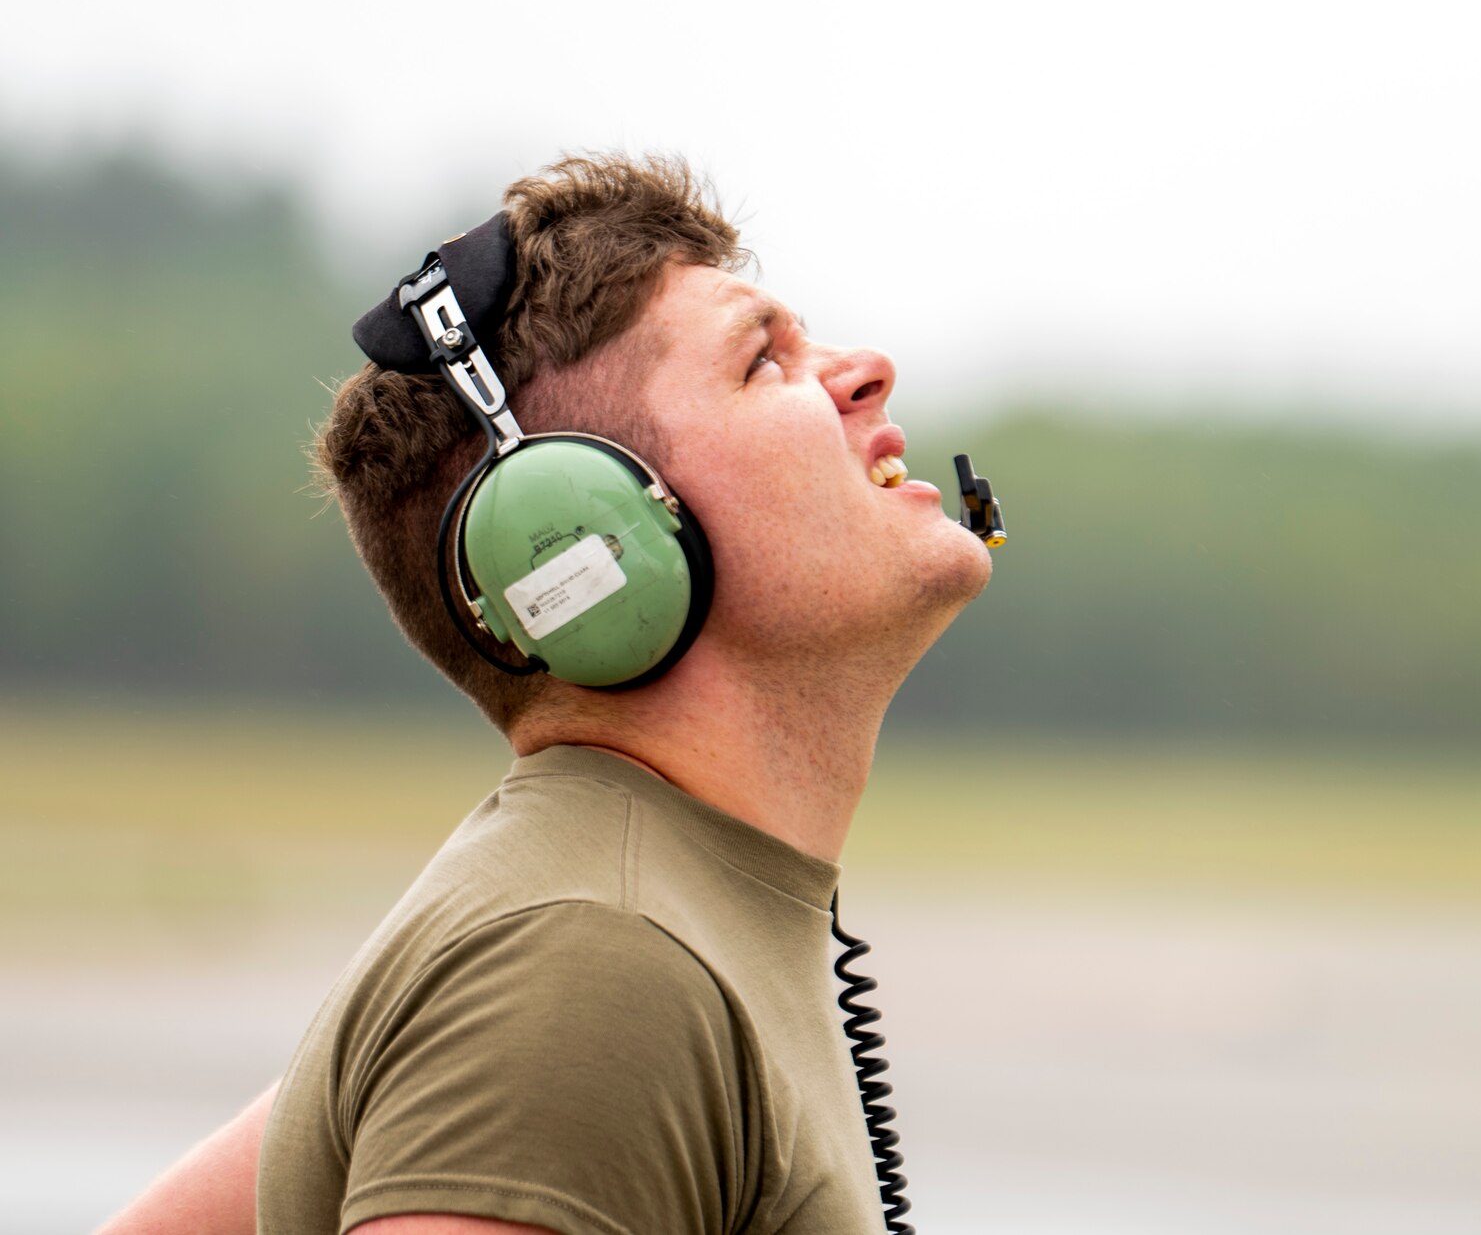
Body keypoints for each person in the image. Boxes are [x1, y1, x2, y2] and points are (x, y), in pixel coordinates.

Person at [96, 152, 997, 1235]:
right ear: (575, 525)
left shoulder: (601, 945)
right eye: (764, 361)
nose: (865, 369)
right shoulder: (588, 967)